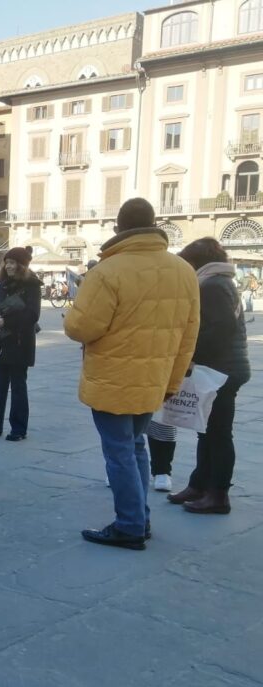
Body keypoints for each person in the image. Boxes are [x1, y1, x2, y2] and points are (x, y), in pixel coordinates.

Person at [64, 197, 200, 550]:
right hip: (155, 378)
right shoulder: (183, 270)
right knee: (135, 446)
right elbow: (189, 334)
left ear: (118, 228)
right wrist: (173, 381)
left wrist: (73, 310)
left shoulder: (107, 271)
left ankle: (129, 525)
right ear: (154, 225)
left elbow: (80, 328)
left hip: (113, 379)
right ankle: (140, 517)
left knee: (119, 452)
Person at [167, 237, 251, 515]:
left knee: (217, 433)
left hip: (221, 370)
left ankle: (218, 494)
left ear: (196, 263)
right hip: (225, 367)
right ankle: (199, 485)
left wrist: (191, 351)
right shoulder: (220, 282)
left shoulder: (212, 285)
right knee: (207, 430)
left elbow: (221, 328)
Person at [0, 246, 42, 441]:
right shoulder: (2, 285)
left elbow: (32, 315)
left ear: (22, 265)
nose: (8, 266)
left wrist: (6, 321)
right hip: (1, 341)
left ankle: (19, 429)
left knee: (18, 385)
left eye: (12, 263)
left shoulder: (32, 285)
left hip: (20, 342)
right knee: (0, 386)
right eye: (7, 263)